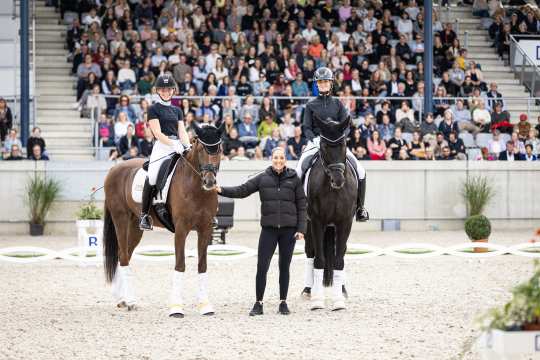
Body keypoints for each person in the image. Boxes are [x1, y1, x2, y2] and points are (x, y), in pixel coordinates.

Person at [216, 147, 307, 316]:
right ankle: (258, 303)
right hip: (269, 230)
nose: (278, 160)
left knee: (284, 267)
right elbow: (242, 190)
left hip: (289, 231)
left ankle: (283, 303)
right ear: (271, 159)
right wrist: (222, 189)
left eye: (281, 158)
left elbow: (302, 205)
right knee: (262, 267)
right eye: (275, 157)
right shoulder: (263, 178)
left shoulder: (294, 179)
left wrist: (302, 229)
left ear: (285, 160)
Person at [296, 66, 368, 222]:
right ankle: (300, 207)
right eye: (320, 82)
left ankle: (360, 209)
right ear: (317, 84)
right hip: (316, 142)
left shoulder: (338, 104)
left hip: (336, 144)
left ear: (331, 84)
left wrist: (340, 139)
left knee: (360, 171)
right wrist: (314, 139)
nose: (323, 85)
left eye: (325, 82)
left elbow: (347, 126)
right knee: (299, 169)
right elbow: (306, 127)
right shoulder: (310, 105)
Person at [139, 73, 191, 230]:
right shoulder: (153, 109)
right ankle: (144, 215)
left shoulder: (177, 110)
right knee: (153, 176)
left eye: (169, 89)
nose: (166, 92)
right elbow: (157, 133)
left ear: (173, 91)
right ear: (158, 91)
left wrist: (187, 145)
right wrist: (172, 143)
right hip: (162, 146)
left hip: (178, 145)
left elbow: (182, 131)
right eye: (163, 89)